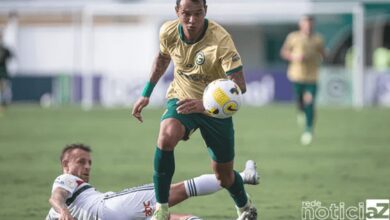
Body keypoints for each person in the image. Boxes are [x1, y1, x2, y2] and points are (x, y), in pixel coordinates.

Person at [131, 0, 257, 219]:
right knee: (166, 137)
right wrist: (146, 93)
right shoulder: (168, 31)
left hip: (215, 111)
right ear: (177, 12)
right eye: (186, 14)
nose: (192, 20)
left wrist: (205, 104)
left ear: (205, 11)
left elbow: (240, 86)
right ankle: (162, 208)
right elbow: (162, 58)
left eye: (198, 14)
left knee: (224, 177)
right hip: (182, 99)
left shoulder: (221, 40)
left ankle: (245, 207)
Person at [46, 144, 260, 220]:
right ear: (66, 164)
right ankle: (242, 176)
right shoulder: (65, 179)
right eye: (80, 162)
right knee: (174, 191)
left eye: (89, 162)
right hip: (110, 208)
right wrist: (63, 210)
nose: (87, 167)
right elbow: (56, 197)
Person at [280, 15, 326, 145]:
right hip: (297, 75)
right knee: (300, 101)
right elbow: (284, 52)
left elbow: (323, 54)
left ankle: (308, 130)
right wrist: (294, 57)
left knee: (310, 102)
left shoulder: (318, 39)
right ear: (301, 25)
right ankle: (301, 112)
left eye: (311, 24)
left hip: (312, 76)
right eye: (306, 24)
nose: (309, 26)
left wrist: (319, 56)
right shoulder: (293, 37)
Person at [0, 31, 12, 115]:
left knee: (4, 90)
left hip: (3, 73)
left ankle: (3, 106)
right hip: (3, 72)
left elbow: (10, 57)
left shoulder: (5, 49)